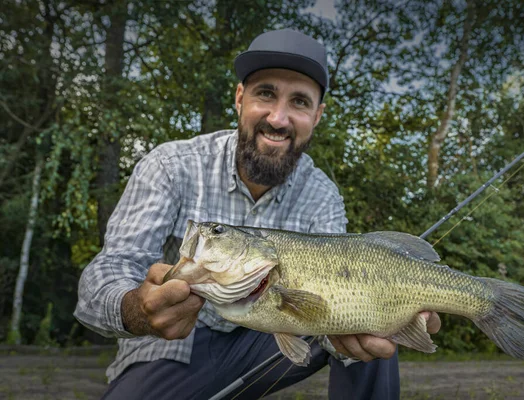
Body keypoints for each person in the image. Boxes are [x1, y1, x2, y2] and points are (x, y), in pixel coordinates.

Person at [74, 28, 441, 399]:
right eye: (265, 93)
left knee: (375, 328)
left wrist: (361, 331)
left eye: (299, 102)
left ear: (317, 116)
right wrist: (136, 307)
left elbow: (331, 308)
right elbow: (104, 276)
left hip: (275, 333)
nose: (278, 118)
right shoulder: (171, 165)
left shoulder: (323, 194)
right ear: (239, 98)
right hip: (177, 347)